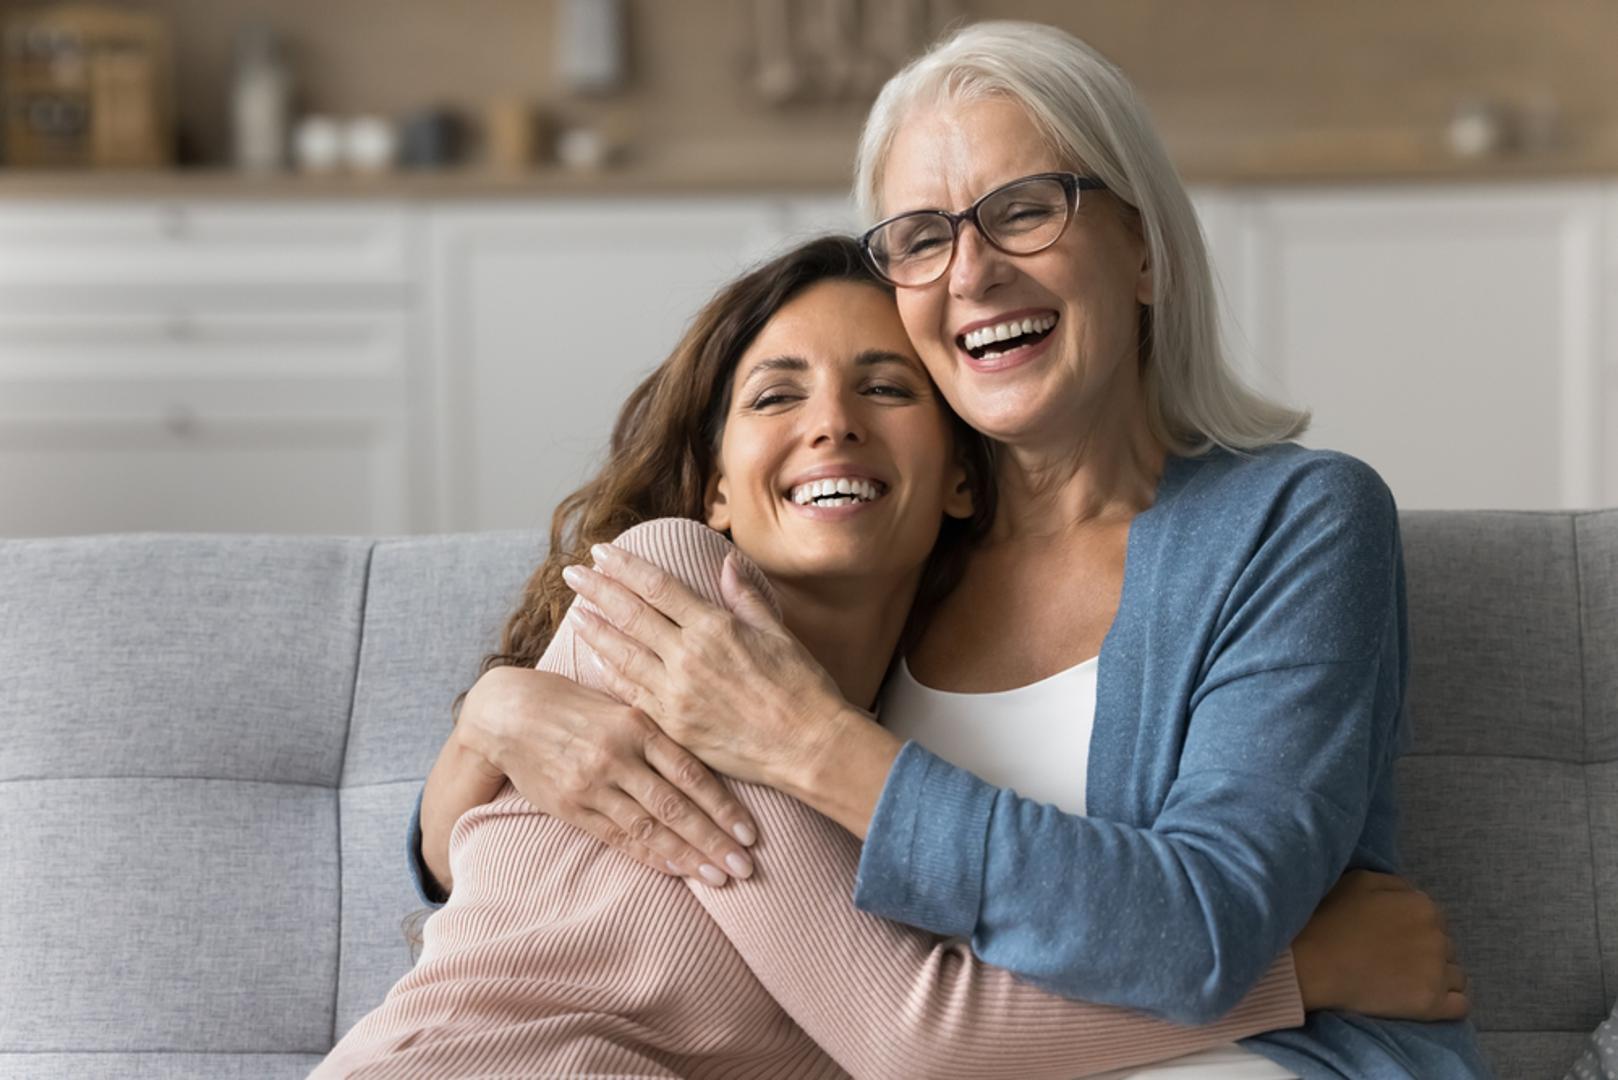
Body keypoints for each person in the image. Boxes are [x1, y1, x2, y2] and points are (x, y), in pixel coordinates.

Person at [419, 21, 1488, 1080]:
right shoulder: (874, 571)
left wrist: (805, 740)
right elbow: (590, 924)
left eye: (1025, 210)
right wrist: (493, 716)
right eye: (922, 237)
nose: (970, 272)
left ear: (1145, 252)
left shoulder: (1292, 521)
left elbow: (1203, 926)